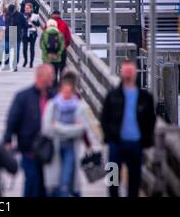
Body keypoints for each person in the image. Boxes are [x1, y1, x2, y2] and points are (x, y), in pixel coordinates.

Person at [101, 60, 156, 197]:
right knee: (112, 178)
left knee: (134, 180)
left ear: (135, 73)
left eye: (130, 71)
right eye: (125, 71)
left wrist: (146, 138)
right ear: (121, 73)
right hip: (116, 143)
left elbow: (151, 119)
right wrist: (108, 136)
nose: (128, 74)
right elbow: (104, 117)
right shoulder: (113, 94)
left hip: (135, 143)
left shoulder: (145, 97)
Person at [4, 64, 56, 197]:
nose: (52, 79)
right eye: (50, 76)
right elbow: (12, 119)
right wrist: (7, 139)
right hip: (29, 149)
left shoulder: (54, 96)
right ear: (40, 77)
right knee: (32, 183)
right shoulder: (23, 97)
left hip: (50, 149)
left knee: (48, 186)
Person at [42, 71, 96, 197]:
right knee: (54, 181)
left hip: (71, 147)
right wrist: (72, 129)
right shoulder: (54, 104)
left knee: (66, 180)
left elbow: (82, 128)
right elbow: (47, 128)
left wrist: (59, 128)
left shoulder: (78, 105)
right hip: (54, 147)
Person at [40, 19, 65, 86]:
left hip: (47, 58)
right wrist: (58, 54)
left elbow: (42, 45)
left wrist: (47, 54)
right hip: (57, 58)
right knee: (55, 72)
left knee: (47, 72)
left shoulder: (44, 34)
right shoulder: (60, 34)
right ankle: (55, 84)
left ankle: (48, 84)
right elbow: (62, 46)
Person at [5, 4, 27, 72]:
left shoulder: (20, 15)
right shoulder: (7, 14)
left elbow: (25, 24)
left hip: (16, 34)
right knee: (6, 48)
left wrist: (21, 30)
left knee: (16, 51)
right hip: (8, 34)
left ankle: (15, 65)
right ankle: (7, 58)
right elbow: (6, 23)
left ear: (15, 9)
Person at [22, 3, 39, 68]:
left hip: (33, 33)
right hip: (25, 32)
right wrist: (28, 25)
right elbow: (21, 24)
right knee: (24, 48)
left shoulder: (35, 15)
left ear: (31, 9)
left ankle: (31, 62)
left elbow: (38, 24)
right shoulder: (22, 15)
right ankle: (25, 60)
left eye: (27, 8)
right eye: (25, 8)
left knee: (32, 48)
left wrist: (32, 21)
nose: (26, 9)